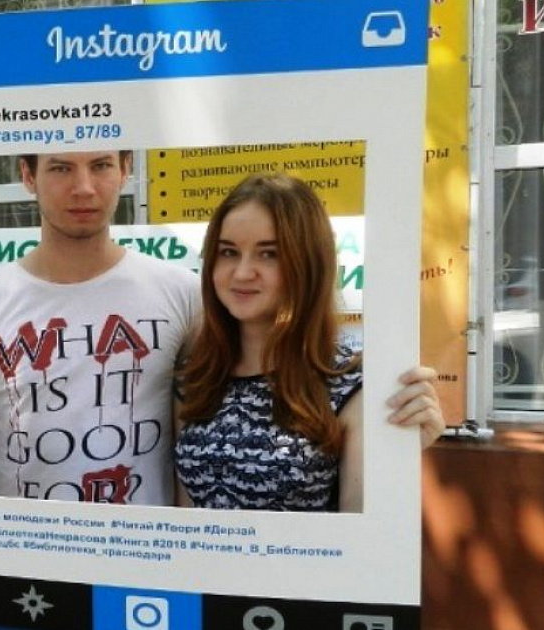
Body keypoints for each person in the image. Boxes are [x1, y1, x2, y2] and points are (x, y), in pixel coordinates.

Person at [0, 152, 444, 503]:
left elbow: (367, 523)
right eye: (60, 168)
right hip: (33, 566)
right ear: (27, 175)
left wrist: (400, 441)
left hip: (153, 568)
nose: (84, 188)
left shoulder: (180, 294)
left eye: (101, 165)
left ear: (126, 171)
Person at [174, 173, 443, 512]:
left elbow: (364, 525)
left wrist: (395, 456)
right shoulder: (195, 377)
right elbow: (182, 519)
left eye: (269, 254)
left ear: (308, 264)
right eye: (228, 252)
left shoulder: (352, 381)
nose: (242, 272)